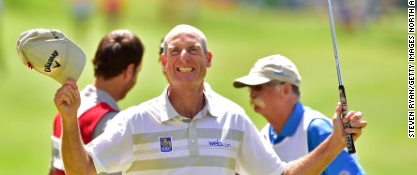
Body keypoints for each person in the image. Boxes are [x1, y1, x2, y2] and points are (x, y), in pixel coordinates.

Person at [53, 24, 366, 175]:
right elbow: (82, 170)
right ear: (163, 64)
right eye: (174, 51)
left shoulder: (234, 121)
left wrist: (336, 141)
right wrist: (69, 120)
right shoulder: (136, 122)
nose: (184, 57)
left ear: (209, 59)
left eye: (193, 50)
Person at [233, 54, 366, 174]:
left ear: (285, 90)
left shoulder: (317, 129)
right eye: (250, 89)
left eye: (258, 87)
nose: (252, 94)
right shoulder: (263, 136)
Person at [49, 29, 144, 175]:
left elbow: (54, 171)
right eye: (138, 71)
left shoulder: (64, 110)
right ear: (129, 71)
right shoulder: (113, 123)